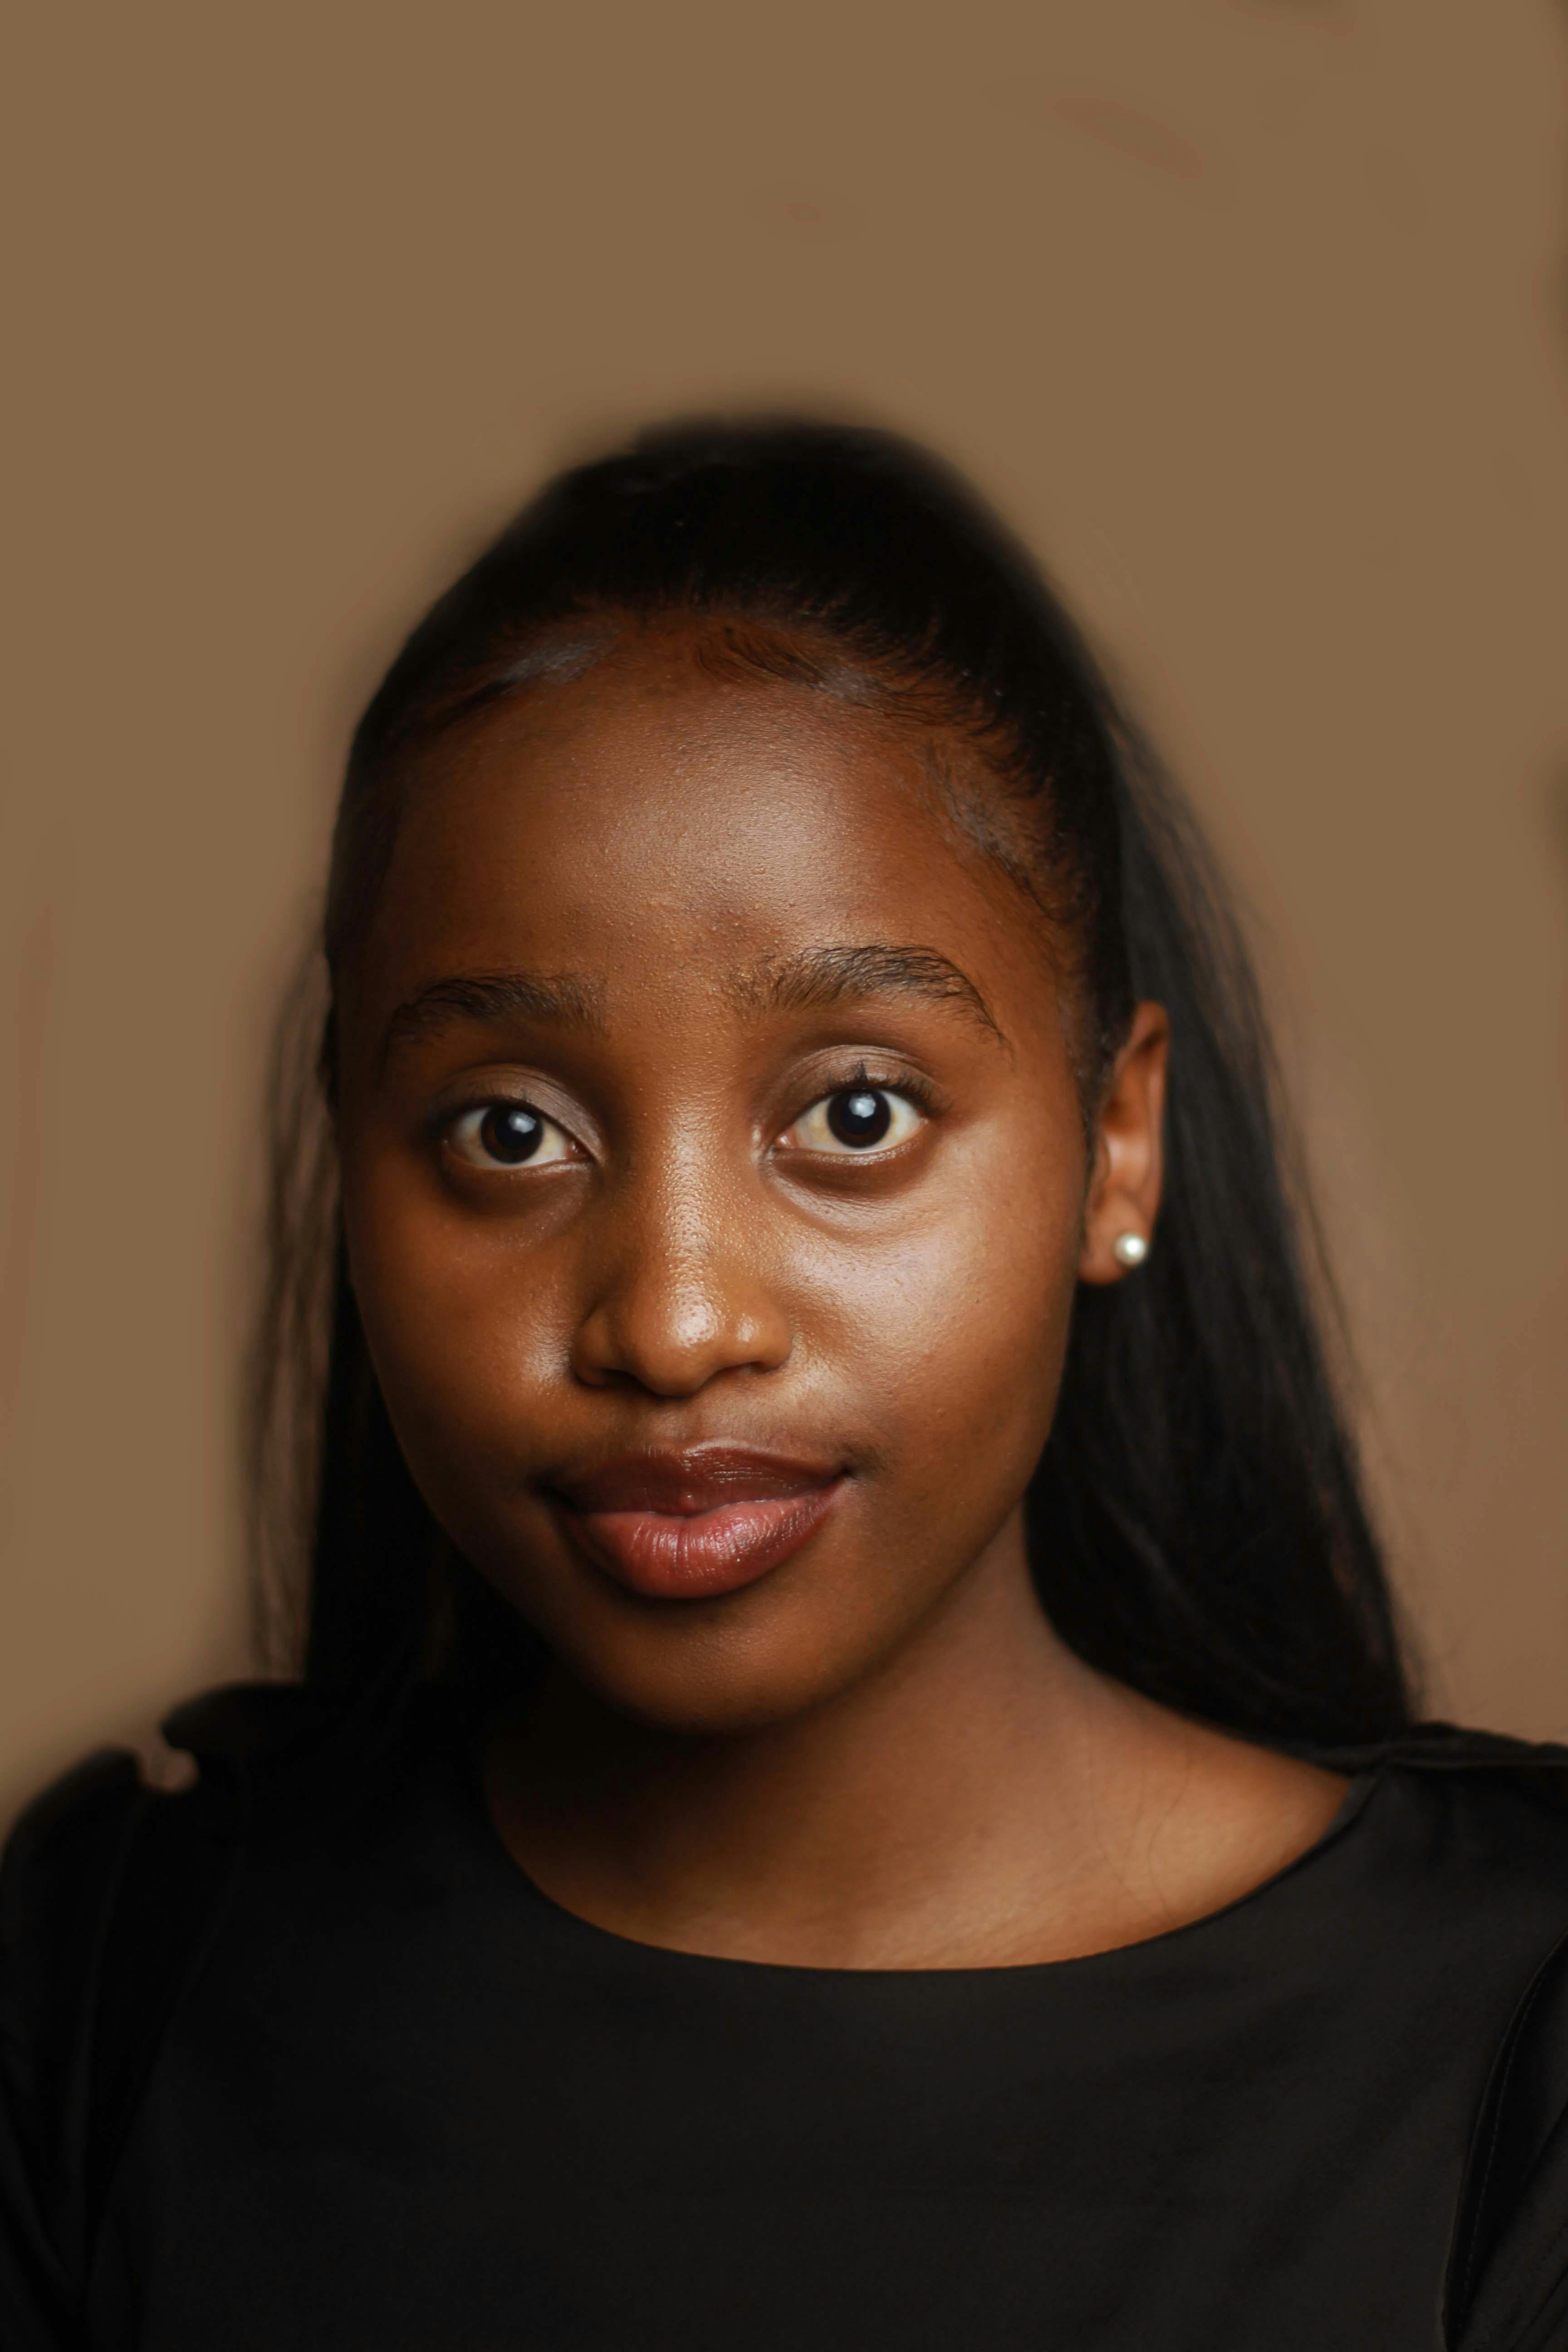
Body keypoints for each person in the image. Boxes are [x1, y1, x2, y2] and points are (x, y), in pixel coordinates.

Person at [2, 419, 1566, 2352]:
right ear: (353, 1153)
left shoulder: (1515, 2043)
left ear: (1119, 1145)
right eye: (507, 1132)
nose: (670, 1323)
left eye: (854, 1113)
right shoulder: (105, 2000)